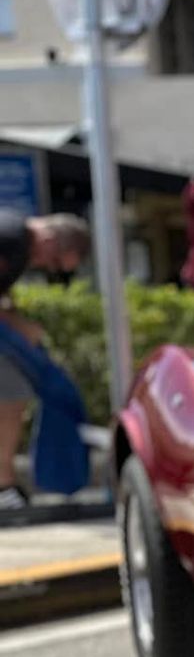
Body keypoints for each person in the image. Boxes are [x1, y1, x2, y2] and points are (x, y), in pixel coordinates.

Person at [0, 212, 91, 516]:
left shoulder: (12, 236)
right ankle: (3, 486)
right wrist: (15, 325)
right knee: (12, 391)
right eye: (53, 263)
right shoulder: (13, 243)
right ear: (50, 240)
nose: (45, 268)